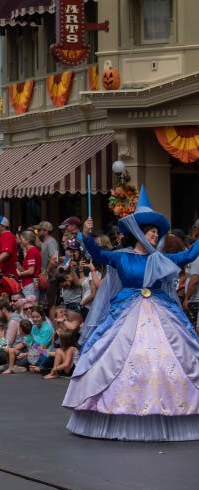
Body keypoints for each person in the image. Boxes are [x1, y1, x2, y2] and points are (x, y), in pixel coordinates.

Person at [63, 186, 199, 441]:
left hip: (162, 313)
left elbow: (191, 253)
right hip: (126, 312)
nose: (155, 235)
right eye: (151, 230)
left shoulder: (162, 259)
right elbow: (97, 254)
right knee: (117, 356)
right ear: (139, 232)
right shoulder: (122, 258)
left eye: (157, 231)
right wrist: (87, 234)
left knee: (167, 358)